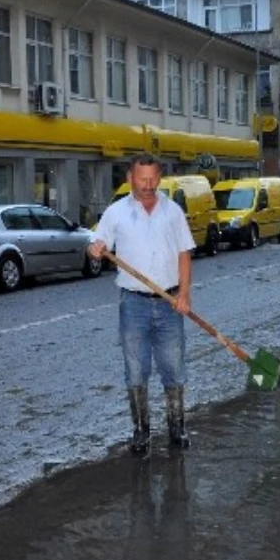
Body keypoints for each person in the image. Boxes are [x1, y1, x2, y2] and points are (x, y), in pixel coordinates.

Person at [88, 153, 195, 456]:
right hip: (133, 304)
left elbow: (184, 254)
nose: (148, 185)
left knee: (173, 368)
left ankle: (177, 429)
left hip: (169, 302)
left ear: (159, 178)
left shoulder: (173, 212)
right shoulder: (115, 213)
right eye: (141, 179)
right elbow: (96, 245)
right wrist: (94, 250)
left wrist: (184, 295)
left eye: (153, 179)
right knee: (136, 370)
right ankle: (141, 434)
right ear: (130, 178)